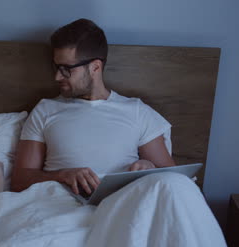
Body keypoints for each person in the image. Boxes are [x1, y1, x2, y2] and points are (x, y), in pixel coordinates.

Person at [11, 18, 175, 195]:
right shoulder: (45, 110)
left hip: (123, 205)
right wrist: (62, 175)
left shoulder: (137, 111)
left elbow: (175, 180)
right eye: (56, 67)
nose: (58, 77)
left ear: (95, 67)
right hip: (58, 206)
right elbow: (19, 182)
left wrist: (149, 167)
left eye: (66, 69)